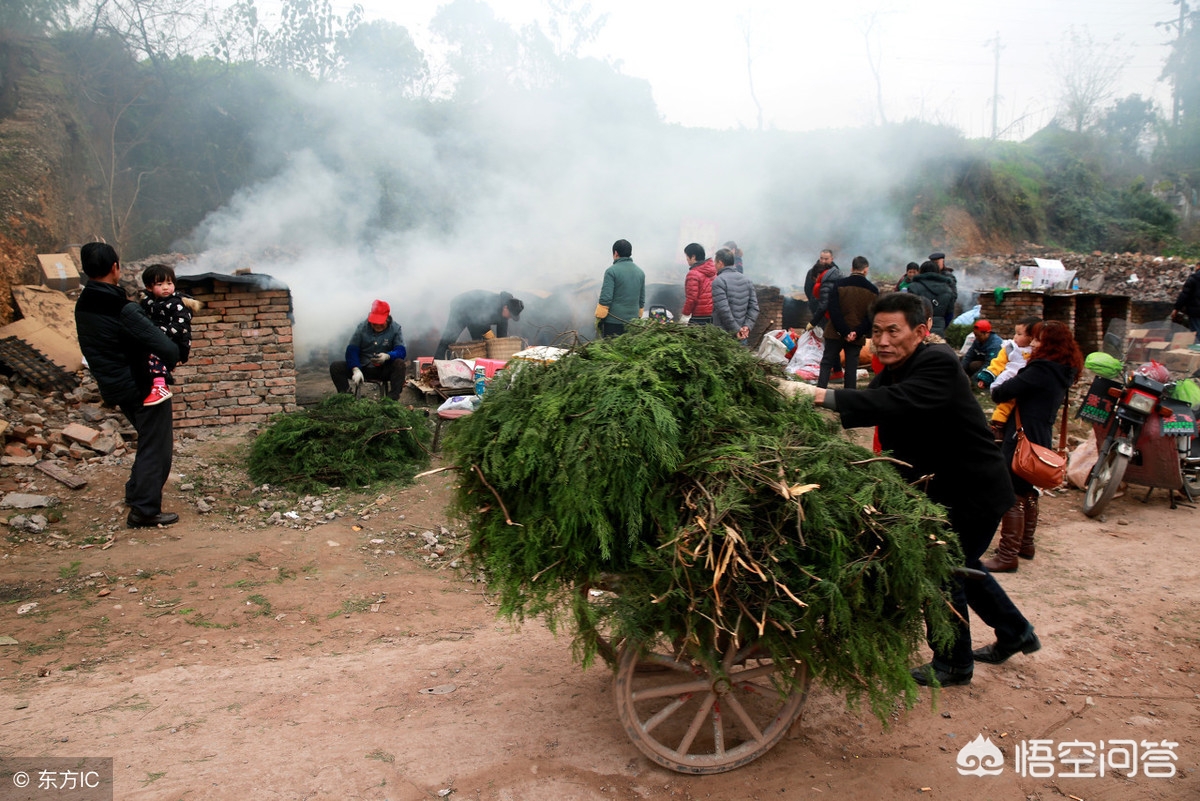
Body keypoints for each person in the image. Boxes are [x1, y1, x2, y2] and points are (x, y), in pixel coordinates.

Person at [811, 292, 1039, 687]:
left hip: (972, 489)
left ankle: (953, 663)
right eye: (876, 332)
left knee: (941, 569)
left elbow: (893, 402)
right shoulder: (897, 366)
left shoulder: (938, 362)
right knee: (964, 565)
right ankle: (1015, 631)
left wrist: (816, 395)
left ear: (921, 330)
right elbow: (873, 401)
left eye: (892, 331)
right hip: (943, 487)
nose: (882, 341)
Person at [75, 242, 181, 529]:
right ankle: (144, 510)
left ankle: (136, 493)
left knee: (147, 439)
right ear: (115, 268)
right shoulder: (121, 308)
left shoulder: (84, 304)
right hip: (142, 385)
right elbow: (167, 349)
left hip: (115, 385)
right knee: (156, 447)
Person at [984, 321, 1083, 573]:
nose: (1033, 344)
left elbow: (1003, 392)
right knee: (1027, 489)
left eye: (1038, 340)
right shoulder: (1064, 369)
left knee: (1012, 491)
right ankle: (1025, 544)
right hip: (1039, 433)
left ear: (1048, 343)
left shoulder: (1042, 369)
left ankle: (1008, 555)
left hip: (1022, 434)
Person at [976, 316, 1042, 441]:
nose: (1015, 337)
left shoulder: (1037, 351)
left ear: (1031, 337)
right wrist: (987, 376)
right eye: (1015, 333)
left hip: (1026, 382)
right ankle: (998, 424)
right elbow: (997, 363)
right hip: (1010, 379)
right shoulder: (1010, 348)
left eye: (1019, 334)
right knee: (1006, 403)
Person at [818, 256, 878, 389]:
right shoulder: (873, 290)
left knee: (827, 363)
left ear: (852, 268)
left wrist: (844, 331)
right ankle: (848, 397)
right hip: (857, 336)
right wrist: (856, 332)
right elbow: (871, 317)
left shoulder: (839, 285)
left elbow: (833, 310)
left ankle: (819, 392)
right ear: (866, 270)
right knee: (851, 367)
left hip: (835, 332)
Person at [138, 263, 194, 407]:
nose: (166, 287)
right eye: (160, 284)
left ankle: (160, 387)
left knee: (154, 352)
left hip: (177, 342)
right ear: (149, 287)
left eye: (169, 283)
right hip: (160, 338)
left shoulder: (177, 304)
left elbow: (181, 327)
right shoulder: (147, 302)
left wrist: (157, 331)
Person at [330, 300, 407, 400]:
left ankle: (391, 400)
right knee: (336, 367)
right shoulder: (362, 327)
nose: (377, 326)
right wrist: (355, 369)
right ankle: (346, 398)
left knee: (400, 364)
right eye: (374, 323)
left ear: (387, 319)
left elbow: (401, 351)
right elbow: (352, 350)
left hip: (384, 370)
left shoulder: (395, 329)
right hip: (363, 368)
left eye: (380, 323)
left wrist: (388, 356)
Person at [434, 291, 524, 359]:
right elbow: (482, 323)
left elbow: (502, 335)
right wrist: (490, 337)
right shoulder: (492, 305)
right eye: (511, 315)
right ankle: (437, 364)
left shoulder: (505, 313)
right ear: (505, 308)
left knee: (479, 344)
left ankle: (479, 367)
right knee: (449, 338)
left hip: (474, 316)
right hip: (461, 307)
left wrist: (501, 348)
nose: (510, 318)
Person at [595, 239, 645, 338]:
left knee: (611, 349)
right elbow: (642, 299)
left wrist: (600, 315)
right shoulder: (640, 272)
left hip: (613, 322)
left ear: (615, 253)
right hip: (633, 322)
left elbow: (606, 297)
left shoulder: (611, 271)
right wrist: (638, 314)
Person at [712, 248, 758, 345]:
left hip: (723, 335)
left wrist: (736, 330)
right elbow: (754, 308)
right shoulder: (747, 280)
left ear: (720, 263)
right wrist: (746, 327)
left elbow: (723, 310)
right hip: (742, 335)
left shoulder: (719, 281)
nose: (714, 265)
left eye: (715, 262)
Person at [906, 261, 957, 336]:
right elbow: (949, 314)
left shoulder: (914, 287)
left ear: (921, 271)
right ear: (938, 272)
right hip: (939, 330)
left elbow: (909, 311)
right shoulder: (947, 289)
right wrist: (941, 325)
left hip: (918, 330)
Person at [802, 249, 841, 329]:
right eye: (821, 258)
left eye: (826, 259)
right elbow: (808, 289)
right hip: (817, 308)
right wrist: (814, 300)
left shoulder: (837, 273)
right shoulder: (812, 272)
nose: (823, 261)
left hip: (832, 309)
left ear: (831, 259)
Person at [680, 243, 716, 326]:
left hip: (698, 316)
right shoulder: (713, 271)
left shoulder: (693, 274)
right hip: (711, 314)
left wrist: (685, 315)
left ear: (693, 257)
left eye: (687, 256)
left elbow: (691, 298)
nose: (686, 259)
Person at [1173, 262, 1200, 343]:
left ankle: (1197, 353)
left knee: (1197, 332)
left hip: (1196, 312)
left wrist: (1176, 308)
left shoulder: (1194, 278)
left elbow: (1184, 295)